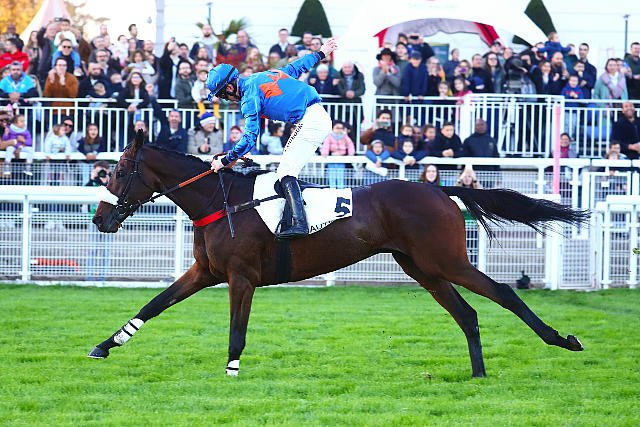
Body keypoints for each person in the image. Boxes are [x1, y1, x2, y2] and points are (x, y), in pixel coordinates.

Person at [207, 38, 337, 239]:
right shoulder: (260, 77)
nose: (226, 99)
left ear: (230, 88)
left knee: (286, 171)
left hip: (311, 121)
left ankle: (300, 223)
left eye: (223, 96)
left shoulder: (248, 98)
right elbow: (295, 67)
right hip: (314, 116)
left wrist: (225, 160)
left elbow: (250, 138)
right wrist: (320, 53)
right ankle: (293, 218)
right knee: (286, 170)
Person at [320, 120, 355, 188]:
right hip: (332, 158)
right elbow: (326, 145)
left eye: (341, 128)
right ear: (333, 128)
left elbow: (350, 145)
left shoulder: (345, 136)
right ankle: (332, 188)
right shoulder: (329, 136)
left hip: (341, 158)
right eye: (337, 128)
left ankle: (340, 189)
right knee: (332, 175)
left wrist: (351, 153)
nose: (339, 130)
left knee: (341, 175)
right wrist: (324, 153)